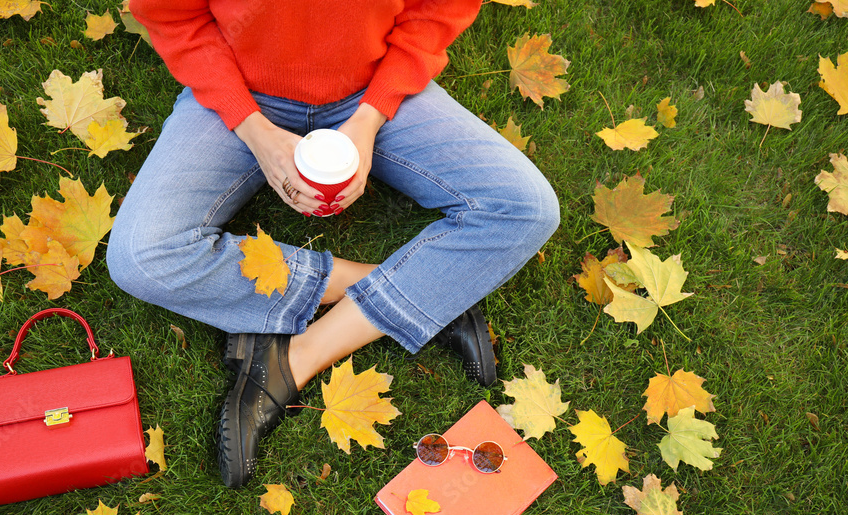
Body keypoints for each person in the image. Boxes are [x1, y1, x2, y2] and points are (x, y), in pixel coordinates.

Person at [107, 0, 561, 489]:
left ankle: (296, 359)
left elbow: (439, 10)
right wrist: (252, 128)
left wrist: (369, 118)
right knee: (140, 257)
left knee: (526, 207)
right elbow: (175, 17)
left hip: (371, 89)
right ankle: (427, 296)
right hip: (243, 92)